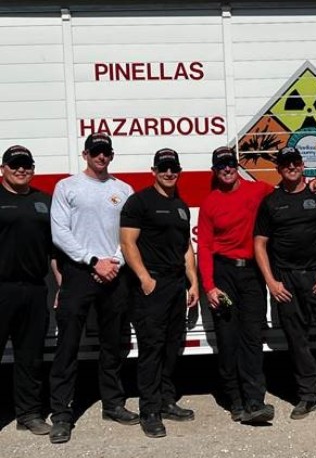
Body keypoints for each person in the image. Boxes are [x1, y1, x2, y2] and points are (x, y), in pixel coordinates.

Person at [253, 146, 316, 425]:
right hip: (286, 280)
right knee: (297, 341)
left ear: (303, 164)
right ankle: (308, 395)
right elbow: (259, 244)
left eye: (295, 162)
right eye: (286, 163)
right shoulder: (271, 202)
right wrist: (271, 282)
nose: (291, 167)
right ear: (279, 168)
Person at [48, 133, 137, 444]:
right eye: (96, 151)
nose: (101, 157)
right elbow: (59, 232)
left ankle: (113, 403)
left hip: (115, 272)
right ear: (85, 154)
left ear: (111, 156)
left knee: (114, 343)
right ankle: (61, 414)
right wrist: (92, 260)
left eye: (106, 152)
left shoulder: (123, 189)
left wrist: (112, 261)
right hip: (80, 272)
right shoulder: (67, 187)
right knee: (68, 345)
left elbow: (130, 234)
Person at [120, 148, 200, 438]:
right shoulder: (139, 202)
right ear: (153, 171)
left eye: (173, 169)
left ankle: (167, 400)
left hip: (176, 284)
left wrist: (193, 282)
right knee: (152, 348)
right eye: (163, 168)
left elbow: (185, 248)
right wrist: (144, 278)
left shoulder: (181, 206)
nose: (169, 173)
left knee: (171, 345)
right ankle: (150, 410)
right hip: (151, 286)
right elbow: (128, 243)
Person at [197, 146, 276, 424]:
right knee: (228, 339)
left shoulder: (259, 190)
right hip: (223, 274)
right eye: (221, 166)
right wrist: (209, 286)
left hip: (252, 273)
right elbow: (204, 247)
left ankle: (255, 400)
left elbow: (289, 193)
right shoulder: (210, 203)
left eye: (230, 164)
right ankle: (235, 400)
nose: (227, 169)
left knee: (252, 338)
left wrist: (315, 185)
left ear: (238, 165)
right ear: (214, 171)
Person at [0, 146, 56, 435]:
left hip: (34, 289)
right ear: (3, 169)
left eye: (26, 165)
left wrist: (62, 284)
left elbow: (54, 250)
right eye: (14, 165)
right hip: (2, 288)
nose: (20, 170)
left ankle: (29, 415)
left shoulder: (44, 202)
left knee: (30, 357)